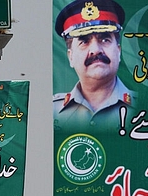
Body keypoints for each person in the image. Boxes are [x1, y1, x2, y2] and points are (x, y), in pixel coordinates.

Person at [53, 0, 135, 132]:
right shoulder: (50, 112)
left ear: (118, 52)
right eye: (84, 41)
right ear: (71, 57)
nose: (96, 50)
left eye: (105, 39)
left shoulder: (145, 108)